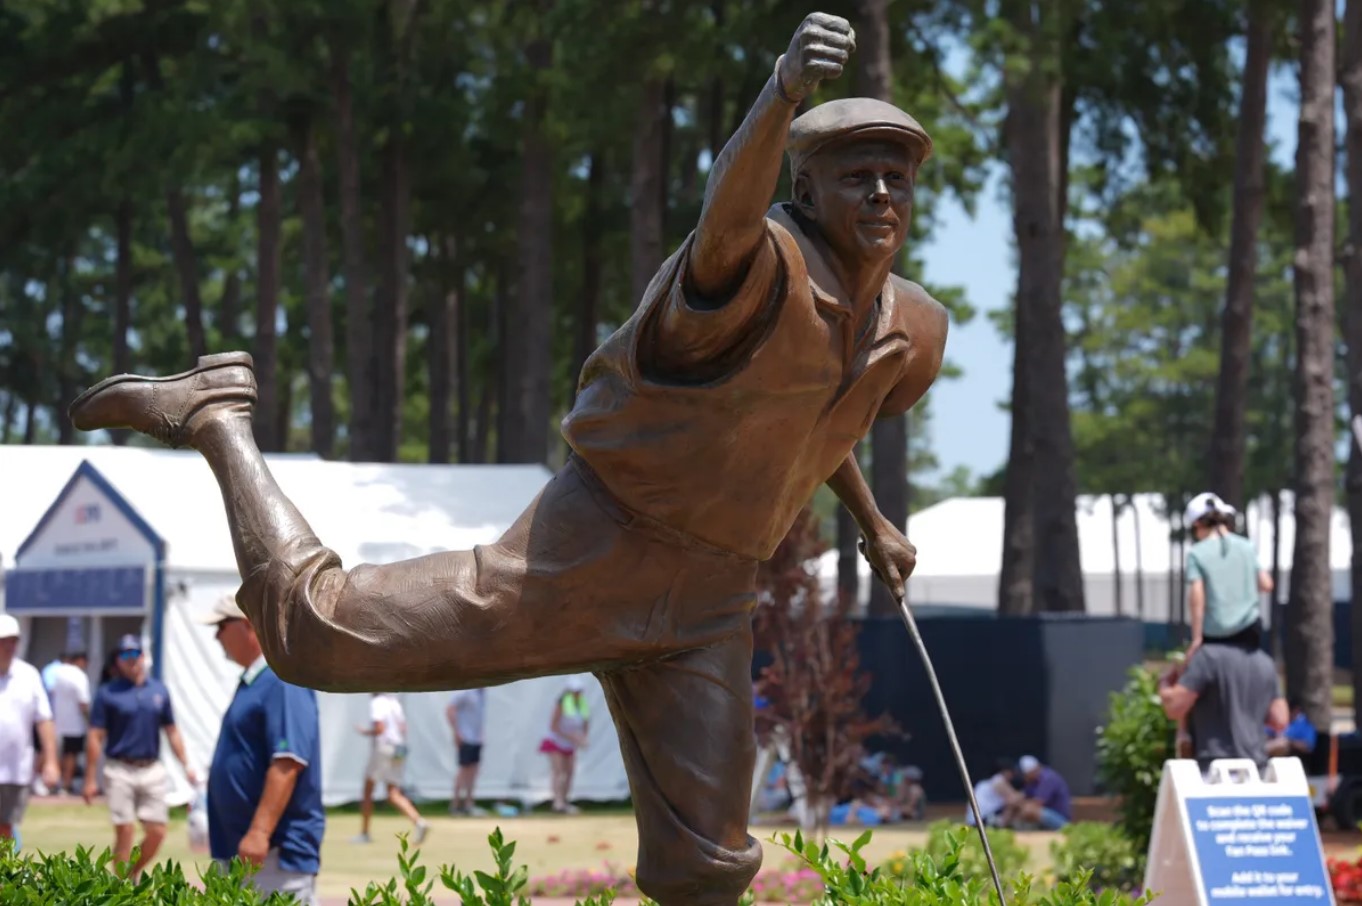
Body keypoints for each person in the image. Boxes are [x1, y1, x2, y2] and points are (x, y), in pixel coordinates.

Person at [67, 12, 943, 903]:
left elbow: (812, 419)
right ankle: (218, 419)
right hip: (599, 548)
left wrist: (872, 521)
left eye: (897, 180)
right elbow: (725, 223)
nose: (881, 195)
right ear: (802, 187)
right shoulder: (758, 270)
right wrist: (781, 90)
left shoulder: (910, 329)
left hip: (713, 600)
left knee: (709, 867)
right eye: (856, 177)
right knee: (314, 638)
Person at [201, 595, 324, 905]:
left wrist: (259, 831)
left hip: (275, 853)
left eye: (221, 625)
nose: (216, 636)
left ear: (248, 625)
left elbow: (289, 761)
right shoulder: (256, 681)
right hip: (249, 852)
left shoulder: (283, 680)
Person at [84, 634, 198, 879]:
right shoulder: (107, 693)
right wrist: (90, 778)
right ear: (118, 661)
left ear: (143, 656)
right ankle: (124, 888)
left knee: (157, 831)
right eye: (125, 655)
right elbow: (95, 736)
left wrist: (186, 764)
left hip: (151, 768)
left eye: (135, 653)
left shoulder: (158, 690)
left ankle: (129, 875)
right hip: (119, 768)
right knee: (124, 829)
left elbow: (172, 731)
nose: (131, 659)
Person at [1159, 634, 1289, 774]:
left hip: (1212, 770)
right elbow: (1280, 719)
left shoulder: (1206, 657)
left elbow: (1174, 707)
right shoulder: (1265, 662)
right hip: (1256, 769)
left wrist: (1164, 683)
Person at [1183, 492, 1272, 660]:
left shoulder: (1197, 553)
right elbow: (1266, 584)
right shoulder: (1247, 546)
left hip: (1215, 634)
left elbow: (1197, 598)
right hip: (1249, 630)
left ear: (1197, 523)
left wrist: (1196, 638)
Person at [0, 615, 59, 840]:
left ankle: (5, 873)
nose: (9, 646)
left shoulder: (29, 675)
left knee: (6, 827)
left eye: (13, 641)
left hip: (16, 769)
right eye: (3, 641)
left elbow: (44, 720)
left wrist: (51, 762)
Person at [354, 693, 428, 845]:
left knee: (368, 789)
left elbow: (380, 728)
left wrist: (365, 732)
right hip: (399, 747)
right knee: (393, 793)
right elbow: (403, 728)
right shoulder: (395, 702)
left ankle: (365, 832)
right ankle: (418, 821)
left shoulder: (377, 702)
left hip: (384, 746)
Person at [539, 678, 590, 814]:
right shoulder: (560, 704)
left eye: (579, 691)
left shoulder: (582, 705)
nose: (577, 694)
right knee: (559, 772)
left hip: (570, 744)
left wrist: (583, 738)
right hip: (556, 741)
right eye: (574, 691)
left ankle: (564, 801)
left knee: (570, 772)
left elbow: (585, 723)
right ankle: (558, 802)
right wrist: (573, 737)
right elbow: (554, 726)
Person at [49, 651, 91, 795]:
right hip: (75, 723)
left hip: (58, 721)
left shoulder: (58, 673)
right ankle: (66, 785)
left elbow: (52, 692)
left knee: (60, 753)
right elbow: (83, 702)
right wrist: (89, 720)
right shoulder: (79, 676)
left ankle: (56, 782)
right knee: (71, 754)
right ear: (80, 660)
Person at [446, 687, 486, 816]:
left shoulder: (482, 693)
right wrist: (456, 732)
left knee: (473, 771)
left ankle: (469, 804)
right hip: (466, 736)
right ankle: (455, 804)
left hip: (477, 738)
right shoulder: (466, 691)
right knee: (463, 770)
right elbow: (450, 708)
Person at [1006, 755, 1071, 830]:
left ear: (1032, 771)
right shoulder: (1032, 782)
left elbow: (1038, 803)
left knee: (1028, 809)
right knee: (1017, 806)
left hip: (1060, 819)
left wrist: (1019, 804)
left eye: (1025, 775)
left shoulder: (1048, 778)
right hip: (1047, 814)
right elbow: (1023, 795)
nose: (1023, 777)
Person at [966, 758, 1021, 828]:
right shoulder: (998, 780)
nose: (1012, 775)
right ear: (1005, 772)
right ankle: (1002, 827)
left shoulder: (984, 783)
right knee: (1011, 805)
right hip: (983, 820)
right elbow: (1014, 799)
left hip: (974, 820)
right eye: (1011, 772)